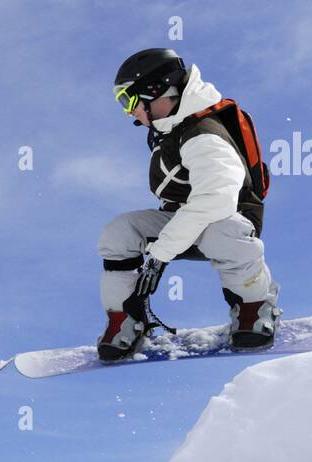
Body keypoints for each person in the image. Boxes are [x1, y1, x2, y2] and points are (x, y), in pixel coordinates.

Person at [99, 48, 281, 360]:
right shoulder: (169, 129)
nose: (129, 112)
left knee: (221, 230)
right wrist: (163, 248)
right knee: (120, 232)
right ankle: (126, 318)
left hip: (229, 223)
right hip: (184, 222)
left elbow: (215, 201)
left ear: (155, 91)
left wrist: (160, 254)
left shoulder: (204, 135)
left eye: (128, 101)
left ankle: (255, 305)